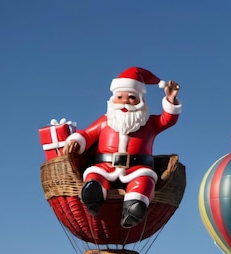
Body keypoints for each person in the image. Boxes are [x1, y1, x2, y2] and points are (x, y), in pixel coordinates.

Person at [63, 67, 181, 228]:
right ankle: (93, 197)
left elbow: (167, 120)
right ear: (113, 99)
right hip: (105, 166)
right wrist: (77, 141)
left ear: (141, 100)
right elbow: (88, 134)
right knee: (94, 177)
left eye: (132, 97)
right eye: (120, 97)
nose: (125, 101)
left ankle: (134, 209)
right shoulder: (106, 120)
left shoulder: (149, 123)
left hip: (138, 168)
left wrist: (170, 100)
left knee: (144, 182)